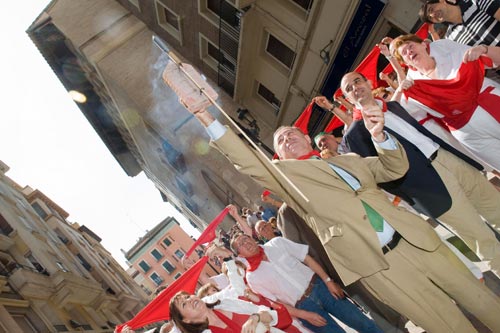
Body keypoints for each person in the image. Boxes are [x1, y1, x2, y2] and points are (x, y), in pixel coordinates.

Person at [174, 90, 500, 332]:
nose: (287, 137)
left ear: (307, 138)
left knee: (484, 301)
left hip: (417, 239)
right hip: (380, 267)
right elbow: (247, 161)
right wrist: (205, 114)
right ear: (278, 160)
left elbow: (394, 166)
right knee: (448, 324)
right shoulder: (291, 181)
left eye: (291, 133)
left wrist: (380, 136)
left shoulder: (348, 160)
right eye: (281, 141)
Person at [338, 71, 500, 277]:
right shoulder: (355, 135)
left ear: (368, 83)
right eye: (348, 89)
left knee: (497, 208)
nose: (355, 88)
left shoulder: (394, 106)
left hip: (450, 161)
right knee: (483, 242)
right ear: (348, 99)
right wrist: (417, 195)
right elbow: (381, 176)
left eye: (357, 81)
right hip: (430, 189)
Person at [229, 234, 383, 333]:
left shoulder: (277, 243)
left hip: (321, 288)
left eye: (245, 238)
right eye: (241, 244)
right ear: (239, 254)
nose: (246, 242)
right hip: (303, 308)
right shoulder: (253, 278)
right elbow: (277, 304)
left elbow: (307, 259)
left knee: (362, 322)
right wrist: (304, 315)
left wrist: (328, 281)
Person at [392, 33, 500, 170]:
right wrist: (398, 91)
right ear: (405, 63)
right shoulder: (411, 85)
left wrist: (484, 49)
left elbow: (494, 60)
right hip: (467, 132)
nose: (409, 52)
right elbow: (396, 115)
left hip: (490, 104)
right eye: (404, 53)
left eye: (410, 46)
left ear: (424, 44)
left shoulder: (448, 51)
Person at [170, 291, 285, 333]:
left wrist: (255, 318)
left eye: (188, 296)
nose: (190, 300)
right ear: (185, 320)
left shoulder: (226, 303)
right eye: (184, 304)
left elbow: (270, 313)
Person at [419, 0, 500, 47]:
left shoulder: (475, 2)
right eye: (430, 18)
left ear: (442, 1)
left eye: (431, 9)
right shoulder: (450, 39)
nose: (433, 14)